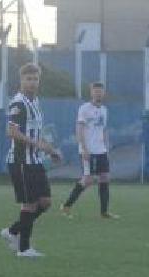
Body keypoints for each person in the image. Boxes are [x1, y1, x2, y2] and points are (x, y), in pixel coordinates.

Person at [0, 62, 62, 258]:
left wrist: (51, 150)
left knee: (45, 202)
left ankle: (12, 231)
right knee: (29, 204)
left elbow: (37, 132)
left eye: (35, 79)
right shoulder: (18, 103)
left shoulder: (35, 102)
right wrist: (36, 144)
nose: (32, 82)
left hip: (35, 160)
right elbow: (11, 132)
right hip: (20, 160)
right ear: (21, 80)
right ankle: (24, 249)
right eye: (28, 78)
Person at [60, 82, 120, 219]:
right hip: (89, 150)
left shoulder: (105, 109)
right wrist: (84, 149)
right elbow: (79, 129)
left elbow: (103, 129)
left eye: (100, 91)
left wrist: (106, 145)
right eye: (96, 91)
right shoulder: (84, 108)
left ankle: (104, 212)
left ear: (103, 93)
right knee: (88, 179)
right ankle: (66, 206)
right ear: (91, 93)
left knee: (104, 177)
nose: (98, 93)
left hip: (101, 150)